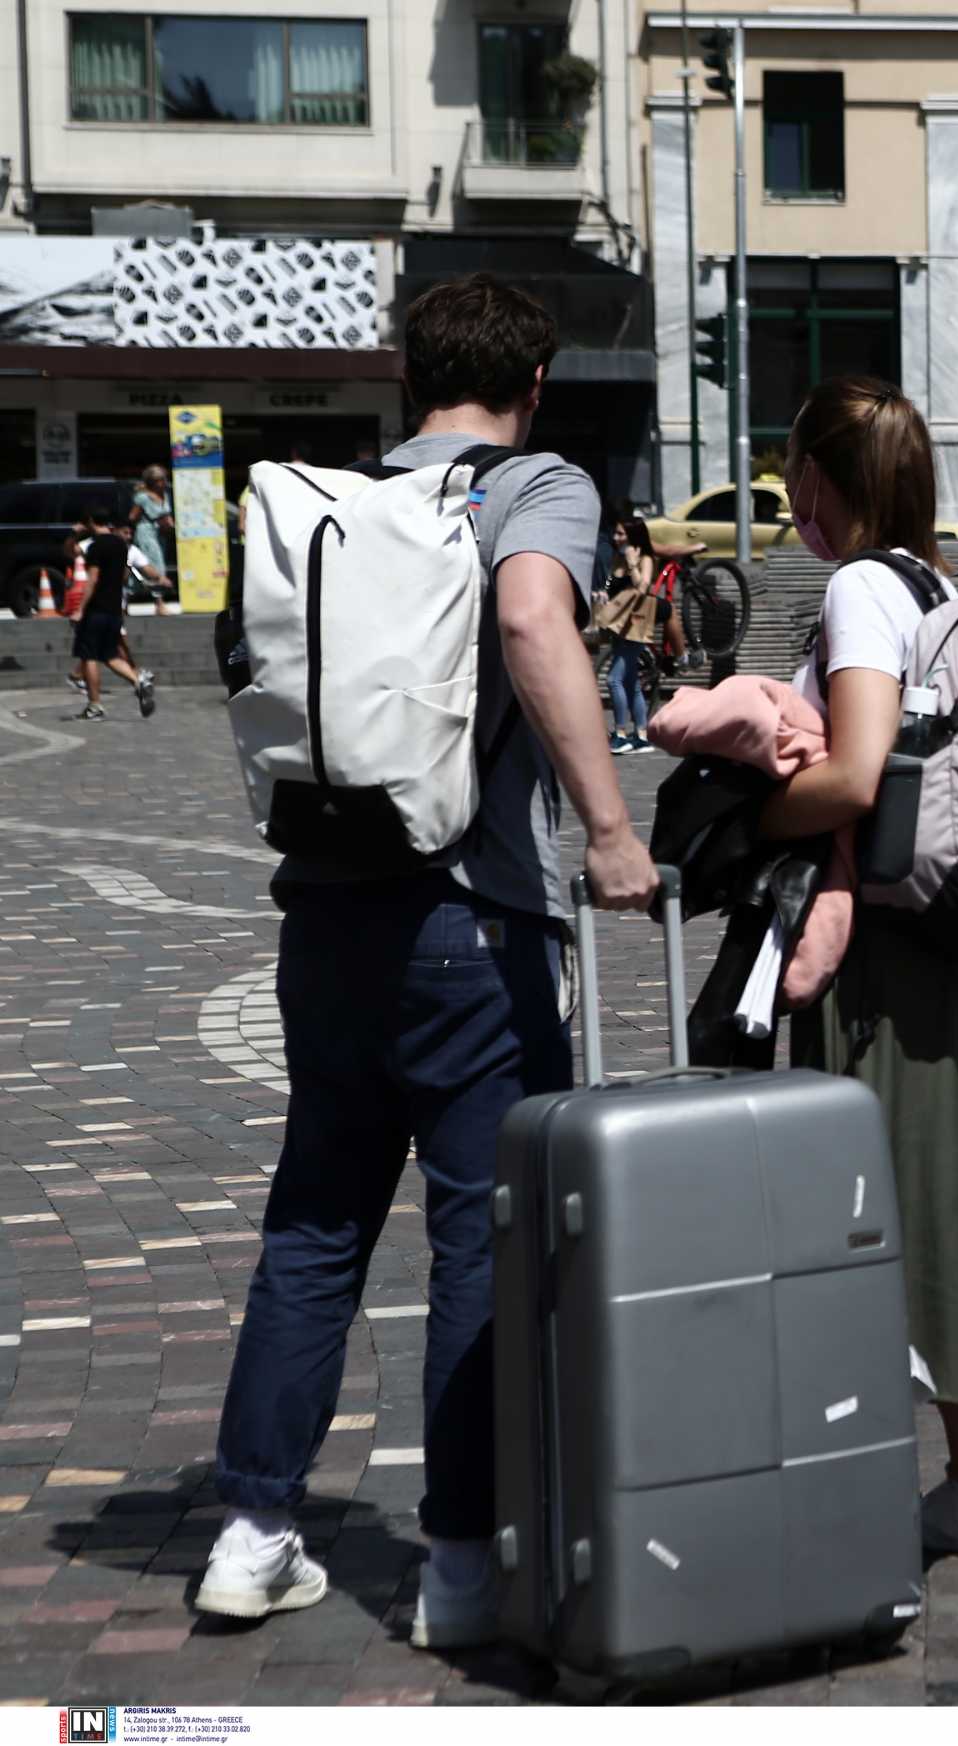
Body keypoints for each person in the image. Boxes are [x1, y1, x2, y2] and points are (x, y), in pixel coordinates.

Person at [198, 274, 656, 1644]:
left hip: (327, 913)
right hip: (473, 919)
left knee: (315, 1218)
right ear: (534, 385)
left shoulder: (332, 499)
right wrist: (612, 831)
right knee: (480, 1235)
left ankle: (252, 1527)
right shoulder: (534, 485)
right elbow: (532, 624)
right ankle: (459, 1564)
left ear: (409, 381)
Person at [766, 375, 958, 1562]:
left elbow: (860, 774)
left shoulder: (862, 587)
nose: (786, 495)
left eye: (792, 472)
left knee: (860, 1202)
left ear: (826, 478)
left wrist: (753, 809)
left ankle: (871, 1486)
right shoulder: (943, 586)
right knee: (951, 1201)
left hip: (882, 946)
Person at [600, 515, 691, 753]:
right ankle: (641, 735)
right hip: (621, 625)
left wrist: (632, 564)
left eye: (621, 534)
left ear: (632, 536)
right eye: (616, 533)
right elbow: (615, 592)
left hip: (636, 625)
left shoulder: (644, 557)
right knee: (630, 682)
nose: (616, 537)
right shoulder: (616, 558)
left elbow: (644, 589)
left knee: (614, 680)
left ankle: (620, 733)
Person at [68, 507, 159, 721]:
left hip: (96, 609)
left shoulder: (95, 547)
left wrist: (80, 609)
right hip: (114, 609)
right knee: (109, 655)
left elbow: (92, 579)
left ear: (90, 521)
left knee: (89, 655)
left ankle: (95, 705)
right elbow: (124, 575)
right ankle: (138, 682)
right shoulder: (120, 544)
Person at [129, 465, 174, 593]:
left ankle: (137, 593)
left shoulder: (165, 495)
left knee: (157, 562)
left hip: (160, 534)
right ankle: (158, 598)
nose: (163, 483)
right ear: (152, 482)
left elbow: (167, 513)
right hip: (147, 533)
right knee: (155, 563)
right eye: (159, 480)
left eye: (163, 479)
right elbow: (132, 517)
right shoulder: (143, 497)